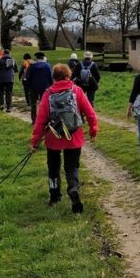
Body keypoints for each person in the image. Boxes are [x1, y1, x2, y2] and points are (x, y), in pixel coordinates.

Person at [30, 63, 98, 212]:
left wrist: (34, 142)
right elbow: (90, 113)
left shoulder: (48, 94)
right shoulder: (77, 91)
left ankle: (54, 196)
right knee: (72, 167)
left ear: (53, 77)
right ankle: (73, 188)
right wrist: (93, 130)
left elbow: (40, 120)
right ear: (69, 76)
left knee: (53, 168)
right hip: (74, 136)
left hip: (54, 136)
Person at [24, 52, 53, 124]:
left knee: (33, 104)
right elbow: (50, 77)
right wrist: (51, 85)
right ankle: (45, 119)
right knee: (45, 103)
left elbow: (28, 78)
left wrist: (28, 86)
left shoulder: (32, 66)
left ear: (36, 58)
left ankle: (34, 119)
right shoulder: (47, 66)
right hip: (45, 87)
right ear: (43, 58)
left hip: (34, 87)